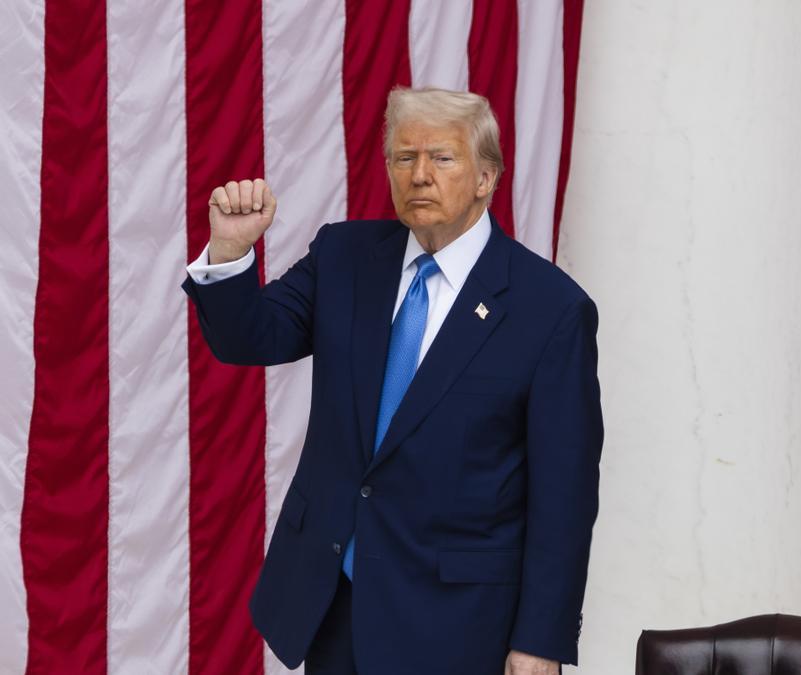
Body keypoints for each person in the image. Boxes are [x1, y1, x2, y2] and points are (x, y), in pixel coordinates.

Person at [182, 87, 603, 675]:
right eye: (404, 158)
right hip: (334, 606)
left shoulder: (551, 311)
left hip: (458, 623)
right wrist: (229, 252)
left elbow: (565, 497)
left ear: (486, 177)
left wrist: (541, 640)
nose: (421, 175)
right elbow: (249, 339)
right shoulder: (344, 257)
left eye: (443, 158)